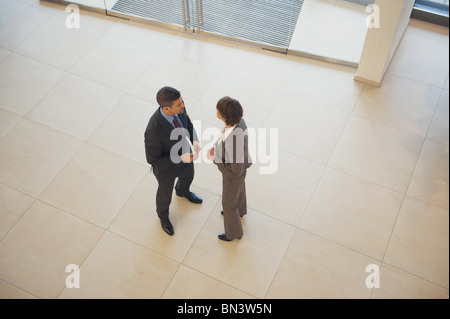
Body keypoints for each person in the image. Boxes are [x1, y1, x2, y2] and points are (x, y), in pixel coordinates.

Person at [144, 86, 202, 236]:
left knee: (188, 176)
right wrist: (179, 158)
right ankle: (163, 217)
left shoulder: (179, 108)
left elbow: (187, 122)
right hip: (166, 169)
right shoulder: (153, 130)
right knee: (165, 195)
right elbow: (153, 160)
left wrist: (194, 140)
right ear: (166, 108)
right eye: (179, 104)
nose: (183, 105)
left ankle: (182, 191)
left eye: (182, 102)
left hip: (185, 156)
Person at [208, 96, 252, 242]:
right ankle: (240, 210)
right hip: (241, 166)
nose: (216, 110)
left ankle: (233, 233)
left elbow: (235, 170)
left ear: (225, 115)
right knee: (240, 188)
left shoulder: (235, 140)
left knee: (228, 204)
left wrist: (216, 159)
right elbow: (223, 137)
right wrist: (216, 147)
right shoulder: (238, 121)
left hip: (233, 174)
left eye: (218, 109)